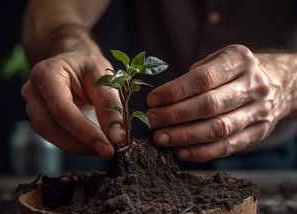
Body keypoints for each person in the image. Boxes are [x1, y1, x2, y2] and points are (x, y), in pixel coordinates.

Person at [21, 0, 297, 169]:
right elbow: (52, 8)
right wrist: (68, 44)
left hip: (269, 157)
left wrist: (286, 81)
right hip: (148, 151)